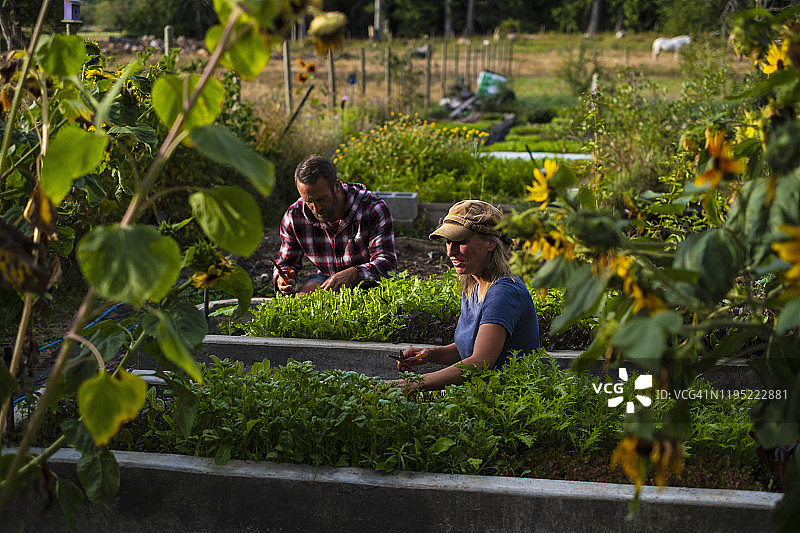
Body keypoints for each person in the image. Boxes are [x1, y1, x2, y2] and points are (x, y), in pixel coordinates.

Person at [394, 200, 539, 392]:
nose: (450, 251)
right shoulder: (473, 282)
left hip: (508, 399)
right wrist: (430, 354)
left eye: (461, 242)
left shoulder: (503, 293)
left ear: (490, 243)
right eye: (448, 241)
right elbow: (470, 348)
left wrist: (412, 384)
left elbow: (479, 363)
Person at [273, 154, 397, 295]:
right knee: (301, 302)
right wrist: (281, 278)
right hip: (327, 280)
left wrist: (354, 274)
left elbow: (387, 264)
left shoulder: (372, 208)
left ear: (337, 186)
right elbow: (285, 263)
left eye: (321, 199)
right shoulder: (294, 217)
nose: (316, 208)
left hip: (371, 282)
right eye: (309, 201)